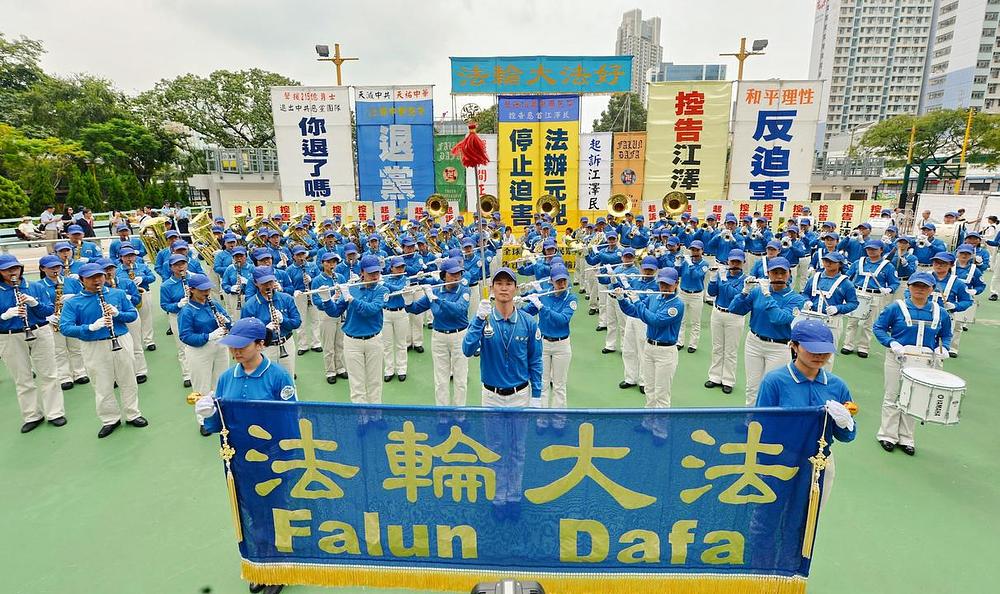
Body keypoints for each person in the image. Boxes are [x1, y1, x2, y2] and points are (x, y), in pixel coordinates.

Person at [462, 267, 543, 521]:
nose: (504, 287)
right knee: (496, 448)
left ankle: (514, 496)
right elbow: (466, 349)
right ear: (493, 289)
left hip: (520, 394)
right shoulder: (484, 319)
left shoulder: (529, 322)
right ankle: (499, 497)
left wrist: (538, 396)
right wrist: (476, 320)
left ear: (515, 288)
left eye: (509, 283)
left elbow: (536, 361)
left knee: (518, 449)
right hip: (492, 395)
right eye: (499, 283)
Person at [756, 319, 857, 500]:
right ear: (794, 346)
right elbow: (761, 427)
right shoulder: (774, 382)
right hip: (781, 462)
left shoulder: (838, 386)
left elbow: (847, 436)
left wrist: (845, 423)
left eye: (825, 350)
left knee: (810, 520)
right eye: (812, 349)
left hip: (821, 462)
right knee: (770, 519)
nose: (819, 355)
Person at [58, 263, 146, 438]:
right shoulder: (74, 302)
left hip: (121, 339)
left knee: (128, 379)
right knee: (102, 383)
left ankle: (132, 413)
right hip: (93, 345)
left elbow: (132, 314)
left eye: (99, 276)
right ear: (82, 280)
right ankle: (110, 419)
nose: (97, 280)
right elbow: (65, 327)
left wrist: (117, 314)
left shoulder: (117, 294)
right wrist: (89, 327)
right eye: (91, 277)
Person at [872, 272, 952, 456]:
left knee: (915, 398)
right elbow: (879, 327)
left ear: (931, 289)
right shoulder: (896, 307)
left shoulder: (940, 312)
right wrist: (891, 342)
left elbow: (946, 334)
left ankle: (906, 438)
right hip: (898, 356)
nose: (920, 290)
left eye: (924, 286)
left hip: (925, 359)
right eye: (916, 285)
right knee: (893, 395)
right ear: (909, 287)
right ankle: (887, 435)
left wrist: (944, 347)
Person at [729, 257, 807, 406]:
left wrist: (767, 295)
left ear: (789, 274)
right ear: (768, 274)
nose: (778, 276)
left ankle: (768, 423)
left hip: (778, 347)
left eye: (782, 273)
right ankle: (750, 421)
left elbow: (779, 318)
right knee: (752, 387)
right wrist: (744, 292)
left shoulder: (796, 299)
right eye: (774, 272)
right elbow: (735, 309)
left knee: (772, 388)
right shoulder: (757, 291)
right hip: (754, 342)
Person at [0, 255, 65, 433]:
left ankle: (55, 412)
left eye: (15, 268)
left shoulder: (35, 286)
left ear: (20, 268)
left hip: (39, 330)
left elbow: (48, 310)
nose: (12, 272)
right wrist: (5, 315)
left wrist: (34, 303)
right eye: (7, 269)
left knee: (49, 374)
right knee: (22, 379)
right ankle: (31, 415)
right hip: (10, 336)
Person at [616, 267, 684, 428]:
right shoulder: (655, 298)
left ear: (676, 284)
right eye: (662, 284)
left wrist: (638, 301)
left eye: (668, 284)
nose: (665, 287)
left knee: (661, 393)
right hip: (649, 347)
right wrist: (621, 299)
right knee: (649, 388)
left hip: (666, 352)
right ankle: (648, 422)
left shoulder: (677, 305)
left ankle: (660, 429)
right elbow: (634, 312)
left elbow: (655, 320)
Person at [326, 255, 389, 412]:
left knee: (375, 381)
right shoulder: (352, 288)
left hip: (374, 340)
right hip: (352, 341)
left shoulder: (382, 290)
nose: (375, 276)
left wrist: (351, 299)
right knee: (357, 383)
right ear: (362, 272)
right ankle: (361, 418)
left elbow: (370, 310)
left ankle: (376, 415)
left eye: (377, 272)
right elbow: (335, 312)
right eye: (371, 273)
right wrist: (326, 300)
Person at [520, 263, 576, 433]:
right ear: (551, 281)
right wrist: (521, 299)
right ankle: (541, 419)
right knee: (542, 382)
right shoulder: (544, 294)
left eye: (564, 280)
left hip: (562, 345)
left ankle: (559, 421)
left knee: (559, 384)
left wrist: (542, 307)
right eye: (558, 281)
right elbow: (526, 312)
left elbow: (562, 320)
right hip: (542, 343)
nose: (561, 284)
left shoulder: (571, 299)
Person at [179, 273, 232, 436]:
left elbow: (228, 320)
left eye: (208, 288)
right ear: (192, 290)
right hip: (199, 351)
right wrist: (207, 336)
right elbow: (185, 336)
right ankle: (203, 421)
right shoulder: (187, 311)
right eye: (202, 290)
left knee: (221, 382)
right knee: (201, 386)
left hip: (220, 346)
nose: (207, 292)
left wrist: (226, 321)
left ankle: (221, 415)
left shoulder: (213, 303)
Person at [35, 255, 88, 389]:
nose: (56, 270)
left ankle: (80, 372)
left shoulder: (71, 282)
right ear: (43, 269)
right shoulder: (39, 286)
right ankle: (64, 376)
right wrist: (47, 317)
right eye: (51, 267)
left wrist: (74, 297)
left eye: (58, 266)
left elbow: (84, 297)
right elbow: (37, 305)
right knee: (59, 351)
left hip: (72, 320)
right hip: (54, 321)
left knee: (76, 348)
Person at [800, 252, 858, 370]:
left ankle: (823, 381)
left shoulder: (846, 283)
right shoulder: (815, 277)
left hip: (832, 322)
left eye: (831, 261)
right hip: (812, 318)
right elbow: (805, 293)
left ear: (839, 264)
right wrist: (806, 301)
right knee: (806, 350)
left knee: (826, 356)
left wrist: (838, 308)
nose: (827, 263)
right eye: (826, 260)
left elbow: (854, 303)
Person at [241, 266, 302, 377]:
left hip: (286, 343)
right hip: (264, 348)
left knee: (288, 380)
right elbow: (246, 335)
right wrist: (265, 330)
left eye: (271, 281)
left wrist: (283, 320)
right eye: (264, 283)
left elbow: (297, 322)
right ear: (256, 283)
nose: (269, 286)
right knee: (267, 382)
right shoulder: (249, 306)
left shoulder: (286, 299)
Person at [841, 241, 898, 358]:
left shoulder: (888, 266)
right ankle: (848, 344)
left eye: (874, 249)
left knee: (868, 323)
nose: (871, 251)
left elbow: (894, 283)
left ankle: (863, 347)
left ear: (881, 250)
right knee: (852, 321)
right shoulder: (858, 262)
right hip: (857, 293)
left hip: (875, 295)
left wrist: (888, 289)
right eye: (869, 249)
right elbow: (847, 275)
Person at [705, 249, 748, 394]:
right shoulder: (722, 274)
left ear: (743, 263)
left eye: (738, 262)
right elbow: (712, 293)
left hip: (734, 316)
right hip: (717, 312)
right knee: (717, 347)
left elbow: (734, 295)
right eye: (732, 261)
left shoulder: (745, 280)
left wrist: (722, 279)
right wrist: (712, 278)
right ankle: (715, 376)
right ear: (728, 261)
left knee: (730, 350)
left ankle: (728, 380)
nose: (735, 264)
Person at [99, 258, 148, 384]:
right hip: (112, 319)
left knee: (136, 344)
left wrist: (130, 297)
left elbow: (137, 299)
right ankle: (116, 376)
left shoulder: (126, 282)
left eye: (111, 268)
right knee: (113, 349)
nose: (109, 272)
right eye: (106, 270)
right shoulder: (100, 288)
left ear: (115, 269)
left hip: (128, 314)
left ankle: (140, 371)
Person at [160, 254, 195, 387]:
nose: (180, 267)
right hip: (178, 316)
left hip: (195, 313)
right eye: (176, 265)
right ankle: (187, 374)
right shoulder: (166, 285)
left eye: (182, 263)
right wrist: (178, 305)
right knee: (182, 346)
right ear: (171, 267)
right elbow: (164, 305)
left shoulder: (194, 279)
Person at [119, 246, 156, 351]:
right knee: (131, 321)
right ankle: (134, 343)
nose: (129, 258)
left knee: (146, 318)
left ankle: (149, 341)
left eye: (131, 256)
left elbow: (152, 278)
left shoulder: (142, 266)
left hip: (143, 293)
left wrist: (142, 278)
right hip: (126, 297)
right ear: (121, 257)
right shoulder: (117, 270)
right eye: (126, 256)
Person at [676, 240, 710, 353]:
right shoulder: (686, 261)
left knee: (695, 321)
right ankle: (680, 342)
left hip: (696, 295)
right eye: (693, 250)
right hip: (683, 293)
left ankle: (693, 344)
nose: (694, 252)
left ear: (702, 251)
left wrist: (690, 264)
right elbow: (678, 274)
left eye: (697, 250)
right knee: (681, 319)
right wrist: (677, 263)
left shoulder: (704, 264)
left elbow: (697, 276)